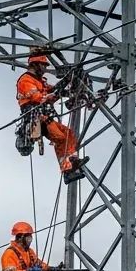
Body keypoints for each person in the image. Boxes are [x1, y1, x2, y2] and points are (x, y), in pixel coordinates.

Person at [16, 50, 88, 184]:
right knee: (60, 138)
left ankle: (72, 162)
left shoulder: (40, 81)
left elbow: (52, 90)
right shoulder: (25, 80)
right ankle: (67, 170)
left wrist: (68, 81)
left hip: (44, 116)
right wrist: (53, 95)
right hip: (36, 117)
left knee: (68, 133)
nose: (45, 69)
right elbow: (39, 97)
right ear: (35, 64)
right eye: (43, 65)